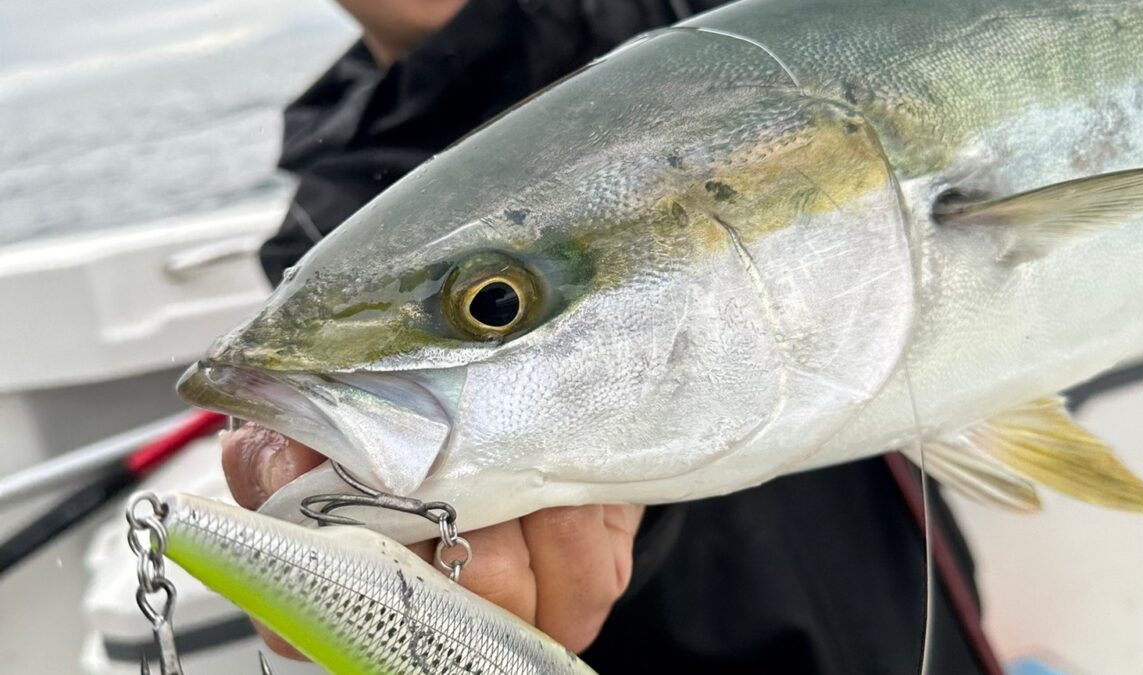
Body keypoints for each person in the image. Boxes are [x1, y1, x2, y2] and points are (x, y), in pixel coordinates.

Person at [222, 1, 991, 672]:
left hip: (914, 589)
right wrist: (581, 499)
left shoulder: (687, 21)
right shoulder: (325, 219)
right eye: (494, 303)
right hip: (677, 644)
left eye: (494, 302)